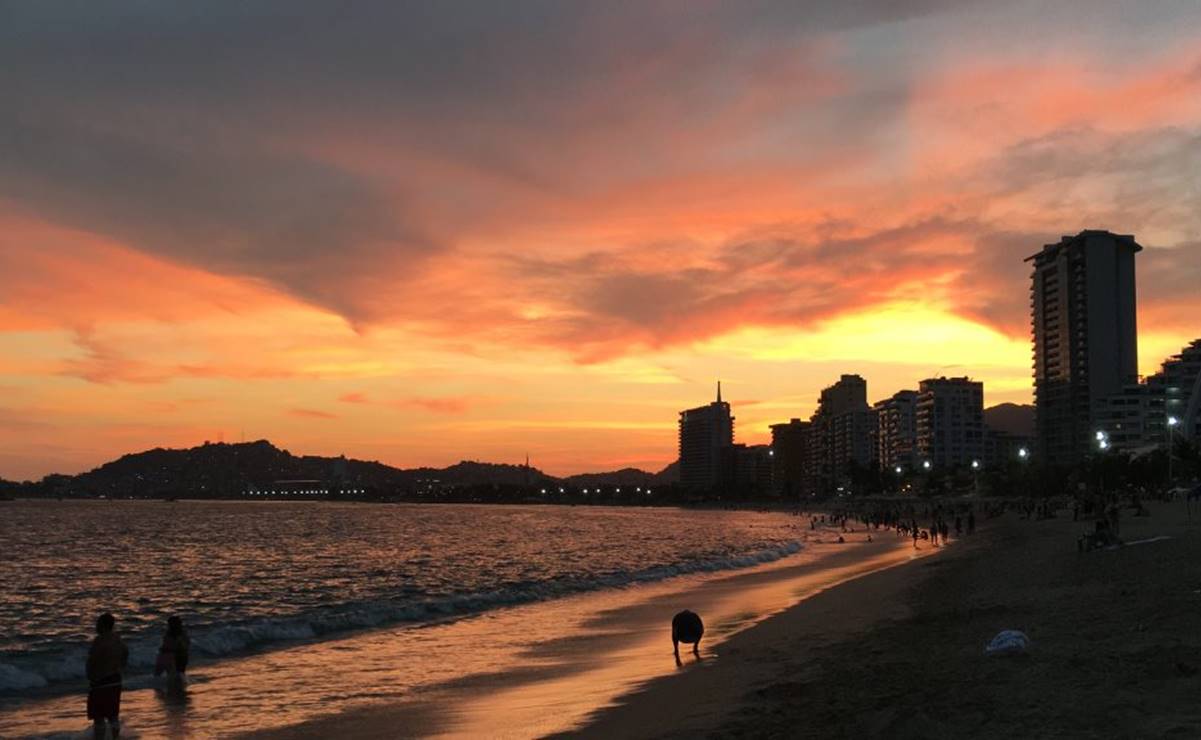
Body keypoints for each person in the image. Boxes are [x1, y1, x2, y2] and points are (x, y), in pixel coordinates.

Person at [86, 613, 129, 740]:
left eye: (98, 623)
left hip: (101, 682)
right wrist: (120, 666)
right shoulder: (117, 639)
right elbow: (126, 652)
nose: (96, 626)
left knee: (98, 717)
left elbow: (92, 659)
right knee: (113, 715)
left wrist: (90, 675)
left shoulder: (100, 640)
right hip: (115, 680)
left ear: (103, 625)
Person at [155, 616, 191, 683]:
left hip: (170, 655)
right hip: (174, 655)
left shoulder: (173, 633)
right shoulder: (180, 633)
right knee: (177, 675)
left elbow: (183, 645)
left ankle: (175, 687)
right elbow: (186, 645)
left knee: (160, 675)